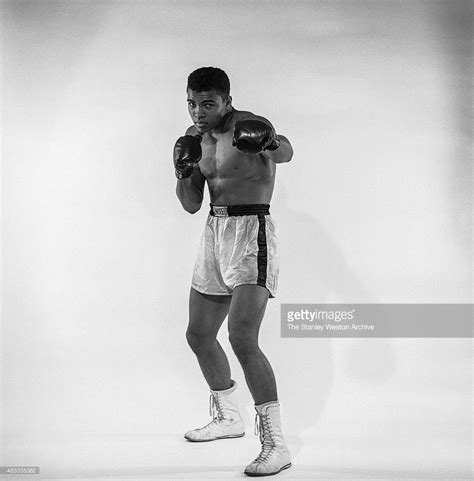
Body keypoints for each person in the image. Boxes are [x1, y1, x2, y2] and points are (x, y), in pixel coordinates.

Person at [173, 66, 293, 477]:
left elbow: (287, 153)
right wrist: (183, 170)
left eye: (207, 103)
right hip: (214, 229)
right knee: (199, 334)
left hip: (251, 231)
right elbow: (191, 204)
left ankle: (276, 445)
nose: (198, 112)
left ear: (226, 99)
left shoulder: (250, 125)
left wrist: (270, 140)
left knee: (242, 336)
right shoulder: (194, 140)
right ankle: (228, 417)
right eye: (191, 103)